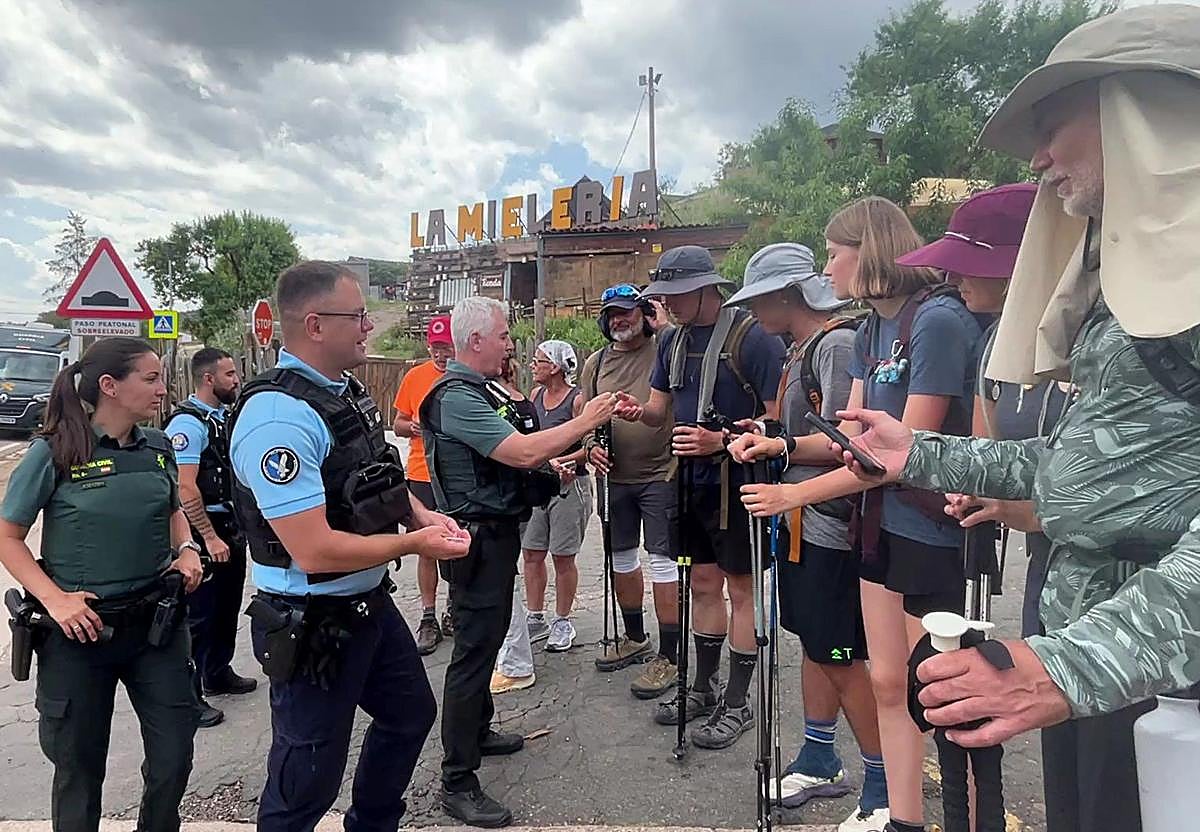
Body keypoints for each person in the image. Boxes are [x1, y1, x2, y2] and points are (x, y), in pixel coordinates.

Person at [832, 9, 1200, 832]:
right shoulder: (1134, 286)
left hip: (1163, 680)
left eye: (1054, 124)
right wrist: (921, 453)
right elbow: (1081, 463)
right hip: (1108, 670)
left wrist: (1071, 665)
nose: (1036, 159)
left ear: (1145, 112)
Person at [739, 199, 982, 832]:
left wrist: (793, 495)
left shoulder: (936, 321)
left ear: (868, 249)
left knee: (942, 692)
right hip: (877, 526)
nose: (826, 268)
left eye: (832, 253)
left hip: (932, 531)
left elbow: (902, 455)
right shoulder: (871, 329)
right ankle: (900, 816)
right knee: (889, 684)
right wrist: (782, 444)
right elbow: (851, 440)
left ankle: (962, 816)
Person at [229, 260, 471, 832]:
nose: (368, 326)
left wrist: (419, 513)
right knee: (308, 773)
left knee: (409, 715)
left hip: (366, 604)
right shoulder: (277, 419)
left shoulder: (343, 393)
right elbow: (313, 551)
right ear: (315, 325)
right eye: (358, 316)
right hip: (313, 618)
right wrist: (415, 543)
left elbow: (377, 474)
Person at [422, 295, 617, 827]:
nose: (511, 345)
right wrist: (587, 420)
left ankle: (478, 731)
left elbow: (519, 460)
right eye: (504, 335)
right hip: (477, 542)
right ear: (476, 341)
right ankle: (457, 780)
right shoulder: (456, 398)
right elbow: (523, 452)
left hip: (495, 535)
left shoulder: (481, 391)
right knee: (472, 654)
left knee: (486, 642)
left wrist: (555, 471)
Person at [0, 336, 205, 832]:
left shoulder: (157, 446)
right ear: (110, 386)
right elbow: (8, 537)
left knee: (174, 755)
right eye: (151, 379)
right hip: (81, 634)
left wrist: (186, 547)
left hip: (156, 628)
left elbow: (172, 508)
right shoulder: (56, 450)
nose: (162, 389)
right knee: (78, 767)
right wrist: (55, 600)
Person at [725, 244, 885, 819]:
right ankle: (820, 757)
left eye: (759, 300)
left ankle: (884, 782)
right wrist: (768, 431)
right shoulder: (803, 348)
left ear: (788, 295)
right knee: (816, 644)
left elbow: (850, 443)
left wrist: (781, 445)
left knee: (839, 653)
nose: (752, 312)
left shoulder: (836, 344)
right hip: (801, 522)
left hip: (830, 523)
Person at [613, 244, 786, 751]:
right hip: (688, 481)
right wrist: (635, 411)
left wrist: (722, 439)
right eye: (664, 294)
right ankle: (704, 686)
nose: (666, 303)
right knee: (704, 583)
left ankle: (738, 700)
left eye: (677, 293)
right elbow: (659, 410)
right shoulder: (671, 341)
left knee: (742, 589)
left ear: (707, 288)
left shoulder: (752, 337)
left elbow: (779, 420)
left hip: (739, 483)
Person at [892, 182, 1073, 640]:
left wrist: (1024, 511)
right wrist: (977, 495)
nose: (953, 279)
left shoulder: (1097, 346)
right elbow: (983, 454)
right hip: (1044, 567)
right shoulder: (994, 343)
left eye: (968, 266)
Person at [582, 283, 680, 700]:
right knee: (621, 557)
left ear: (644, 313)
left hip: (661, 473)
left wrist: (666, 325)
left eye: (627, 311)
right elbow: (585, 419)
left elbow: (685, 359)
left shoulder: (665, 349)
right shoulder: (596, 363)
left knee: (662, 562)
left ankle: (671, 655)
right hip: (614, 478)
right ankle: (636, 637)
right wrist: (590, 446)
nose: (619, 320)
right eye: (611, 314)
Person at [165, 347, 255, 731]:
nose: (236, 380)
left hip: (229, 526)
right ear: (208, 379)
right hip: (203, 531)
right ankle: (188, 699)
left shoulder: (221, 417)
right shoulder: (188, 425)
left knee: (226, 606)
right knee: (198, 618)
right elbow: (185, 488)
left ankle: (217, 672)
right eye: (230, 374)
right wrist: (209, 537)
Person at [522, 339, 593, 652]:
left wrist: (563, 461)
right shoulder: (535, 396)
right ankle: (535, 616)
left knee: (563, 556)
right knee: (532, 552)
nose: (533, 365)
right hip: (539, 484)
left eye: (538, 360)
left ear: (554, 367)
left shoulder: (577, 401)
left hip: (569, 486)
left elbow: (590, 445)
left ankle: (563, 621)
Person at [393, 314, 457, 655]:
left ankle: (453, 608)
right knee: (426, 546)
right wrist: (412, 428)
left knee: (457, 542)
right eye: (435, 348)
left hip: (455, 475)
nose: (441, 354)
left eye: (446, 347)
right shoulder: (415, 376)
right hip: (421, 473)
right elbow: (398, 423)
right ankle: (428, 615)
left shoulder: (464, 377)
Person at [491, 349, 538, 695]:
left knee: (506, 583)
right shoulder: (522, 401)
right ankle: (511, 658)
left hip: (502, 503)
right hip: (518, 499)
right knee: (509, 580)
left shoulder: (497, 403)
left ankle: (516, 664)